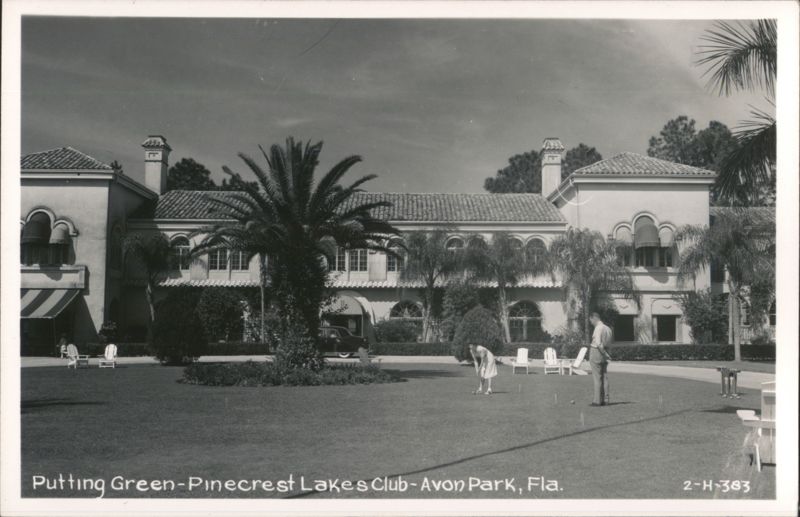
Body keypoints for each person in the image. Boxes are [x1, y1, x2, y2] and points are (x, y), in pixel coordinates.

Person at [588, 312, 612, 406]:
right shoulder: (608, 328)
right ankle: (606, 400)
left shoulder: (598, 328)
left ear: (594, 318)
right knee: (604, 376)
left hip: (597, 351)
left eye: (591, 321)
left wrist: (605, 354)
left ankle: (597, 401)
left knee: (597, 377)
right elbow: (609, 344)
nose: (591, 323)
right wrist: (607, 355)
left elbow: (598, 343)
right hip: (604, 352)